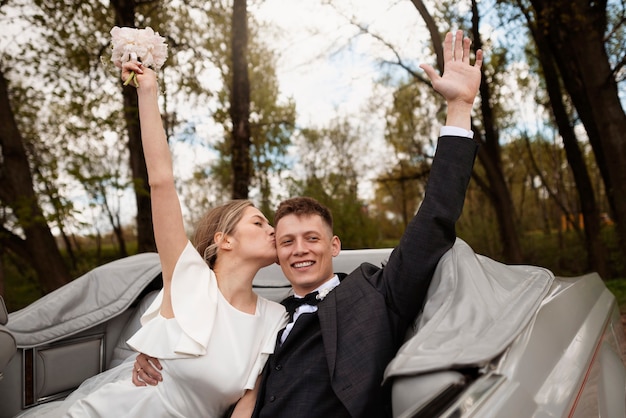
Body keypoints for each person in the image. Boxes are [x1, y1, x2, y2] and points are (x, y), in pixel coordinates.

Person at [134, 29, 483, 417]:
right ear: (277, 257)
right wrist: (159, 347)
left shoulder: (375, 291)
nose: (299, 249)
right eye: (286, 242)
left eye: (311, 238)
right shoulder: (271, 317)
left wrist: (460, 108)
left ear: (335, 246)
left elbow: (434, 219)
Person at [25, 59, 288, 418]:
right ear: (224, 240)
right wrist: (147, 92)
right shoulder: (189, 279)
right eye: (259, 222)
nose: (273, 229)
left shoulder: (274, 316)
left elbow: (249, 399)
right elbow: (161, 181)